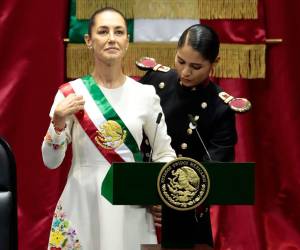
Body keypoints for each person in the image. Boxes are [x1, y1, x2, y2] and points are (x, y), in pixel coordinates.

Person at [42, 7, 176, 250]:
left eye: (119, 32)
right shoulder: (70, 94)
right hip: (82, 203)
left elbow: (165, 153)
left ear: (127, 41)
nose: (112, 38)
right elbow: (51, 161)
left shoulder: (145, 95)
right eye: (103, 31)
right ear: (89, 41)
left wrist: (161, 195)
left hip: (132, 206)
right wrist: (58, 121)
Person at [139, 24, 246, 249]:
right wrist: (146, 196)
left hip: (187, 213)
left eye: (196, 66)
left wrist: (169, 200)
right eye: (181, 61)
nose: (186, 72)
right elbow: (131, 141)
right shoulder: (153, 82)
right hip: (141, 204)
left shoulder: (220, 107)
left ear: (214, 62)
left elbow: (215, 171)